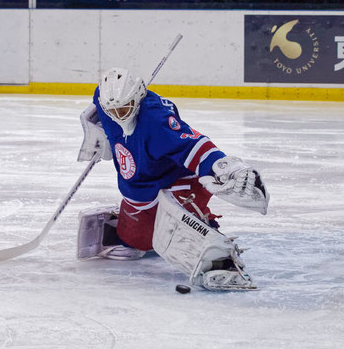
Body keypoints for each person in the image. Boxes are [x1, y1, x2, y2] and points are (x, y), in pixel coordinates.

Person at [76, 67, 270, 290]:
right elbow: (95, 111)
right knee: (136, 242)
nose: (120, 115)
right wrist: (96, 131)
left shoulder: (156, 120)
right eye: (113, 110)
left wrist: (223, 167)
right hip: (141, 188)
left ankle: (219, 258)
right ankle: (136, 224)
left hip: (177, 181)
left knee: (181, 220)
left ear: (138, 95)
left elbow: (193, 145)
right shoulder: (102, 100)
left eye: (125, 107)